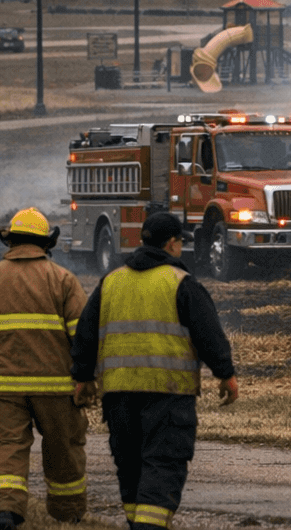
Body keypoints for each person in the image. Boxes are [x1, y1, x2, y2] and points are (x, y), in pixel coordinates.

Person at [71, 211, 237, 530]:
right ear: (172, 244)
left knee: (130, 466)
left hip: (118, 396)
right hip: (168, 395)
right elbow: (209, 334)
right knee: (162, 465)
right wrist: (225, 374)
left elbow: (85, 334)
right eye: (179, 243)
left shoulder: (111, 282)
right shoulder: (181, 283)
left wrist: (82, 378)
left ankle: (139, 524)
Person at [0, 207, 89, 529]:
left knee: (5, 448)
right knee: (64, 448)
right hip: (55, 388)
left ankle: (4, 512)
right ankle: (69, 514)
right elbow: (84, 337)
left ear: (9, 242)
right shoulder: (63, 280)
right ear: (45, 243)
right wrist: (87, 378)